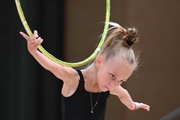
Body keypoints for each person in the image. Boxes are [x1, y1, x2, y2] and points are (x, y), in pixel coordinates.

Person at [20, 22, 150, 120]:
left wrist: (132, 105)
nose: (114, 84)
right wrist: (34, 52)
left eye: (121, 81)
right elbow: (54, 66)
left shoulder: (110, 87)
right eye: (112, 76)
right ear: (99, 62)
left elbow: (124, 94)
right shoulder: (74, 79)